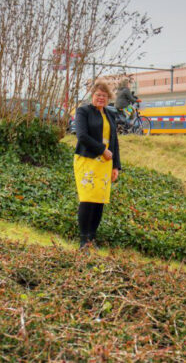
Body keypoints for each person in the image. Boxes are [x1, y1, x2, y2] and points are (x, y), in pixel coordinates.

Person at [74, 82, 121, 249]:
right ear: (92, 96)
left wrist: (116, 166)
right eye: (98, 95)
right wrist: (102, 150)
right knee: (87, 199)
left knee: (100, 201)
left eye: (104, 95)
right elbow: (82, 136)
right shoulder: (83, 111)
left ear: (108, 98)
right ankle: (83, 240)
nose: (101, 98)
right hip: (87, 160)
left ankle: (92, 238)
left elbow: (114, 141)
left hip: (105, 163)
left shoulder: (109, 114)